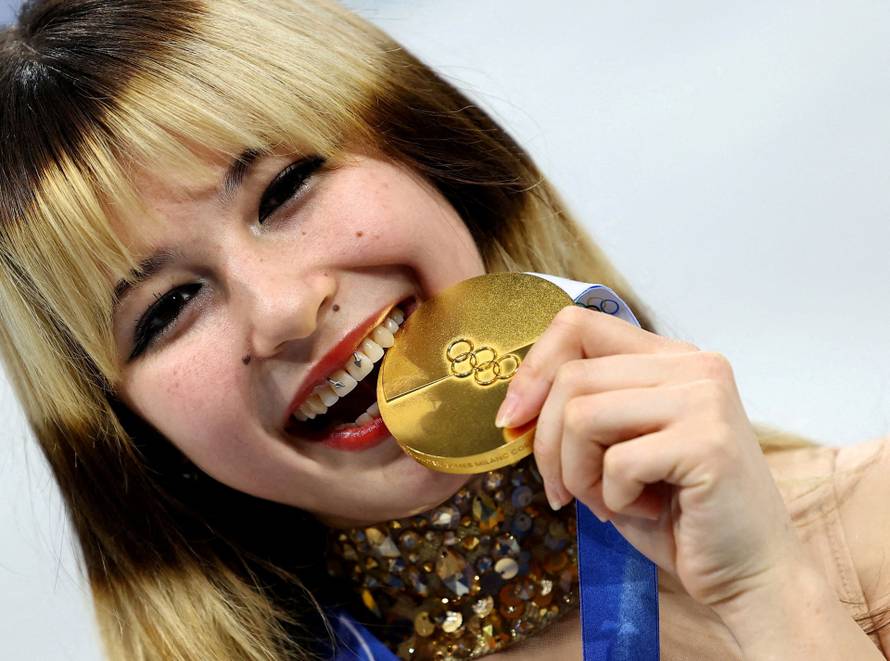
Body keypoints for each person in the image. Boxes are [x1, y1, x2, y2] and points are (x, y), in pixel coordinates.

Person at [0, 0, 887, 659]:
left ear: (429, 152)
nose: (281, 310)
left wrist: (773, 591)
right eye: (165, 309)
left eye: (285, 189)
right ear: (123, 434)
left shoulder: (867, 523)